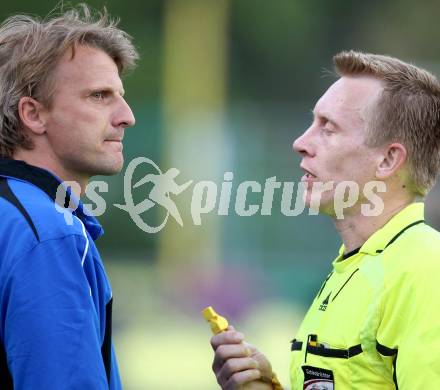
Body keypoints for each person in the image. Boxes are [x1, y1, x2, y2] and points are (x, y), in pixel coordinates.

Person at [210, 51, 440, 389]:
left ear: (389, 159)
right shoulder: (356, 265)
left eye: (328, 128)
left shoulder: (425, 271)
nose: (300, 143)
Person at [0, 5, 137, 389]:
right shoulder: (49, 232)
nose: (126, 116)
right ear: (33, 114)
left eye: (120, 96)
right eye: (99, 96)